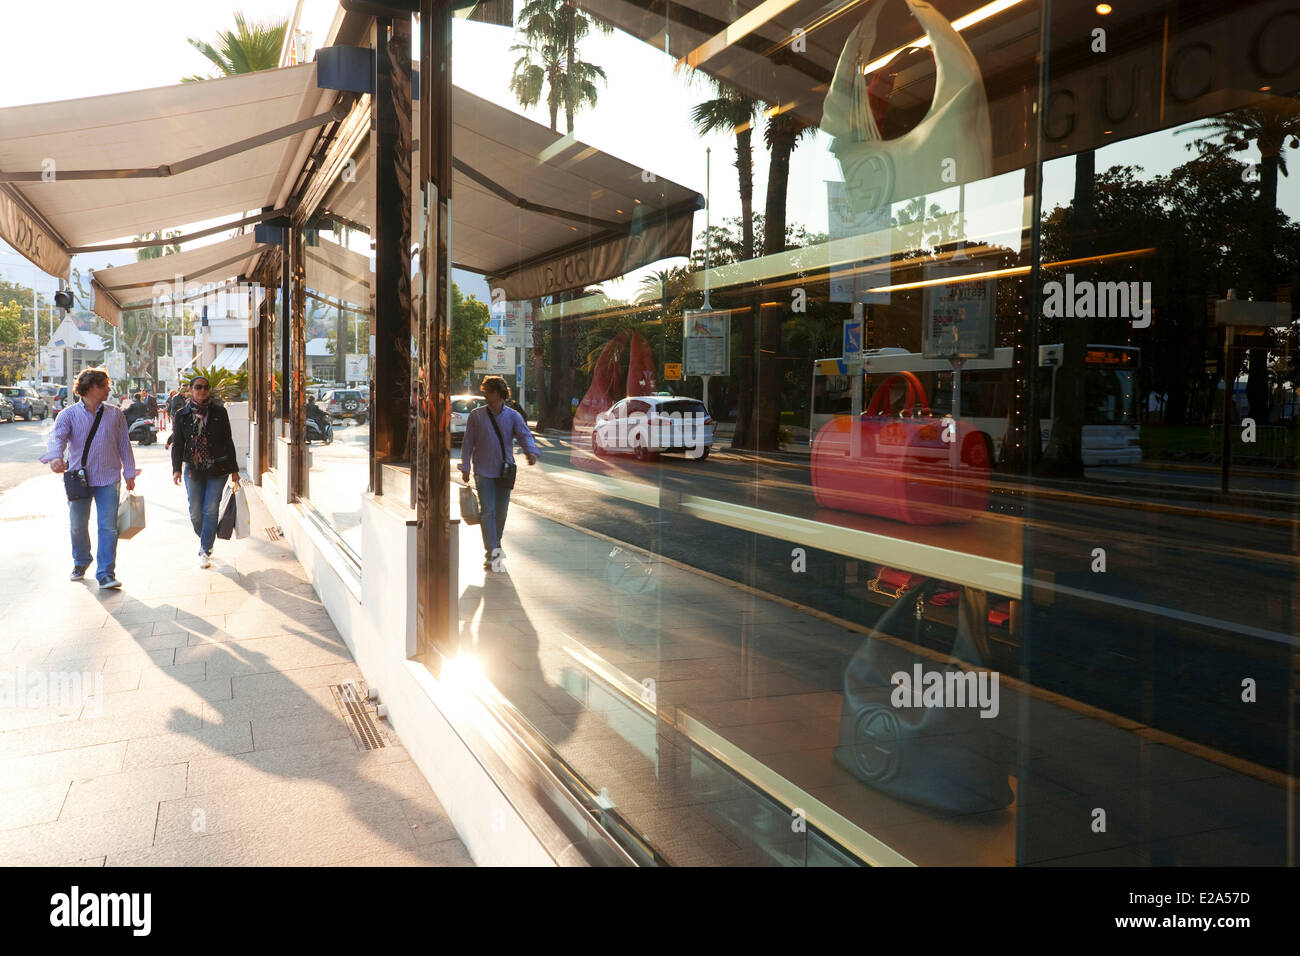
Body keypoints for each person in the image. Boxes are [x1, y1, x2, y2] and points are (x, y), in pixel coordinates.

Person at [39, 366, 139, 590]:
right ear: (92, 387)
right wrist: (55, 458)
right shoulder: (68, 415)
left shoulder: (115, 414)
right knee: (77, 525)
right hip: (78, 478)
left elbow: (124, 444)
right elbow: (58, 439)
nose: (108, 389)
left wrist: (129, 472)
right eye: (104, 386)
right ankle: (81, 561)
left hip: (109, 478)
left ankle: (106, 573)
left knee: (108, 527)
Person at [459, 376, 540, 573]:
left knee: (501, 513)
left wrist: (531, 452)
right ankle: (493, 553)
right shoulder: (476, 416)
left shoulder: (513, 416)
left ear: (499, 393)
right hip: (483, 470)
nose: (484, 393)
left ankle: (495, 545)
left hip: (504, 471)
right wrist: (466, 467)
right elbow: (468, 442)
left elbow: (524, 435)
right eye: (484, 390)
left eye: (488, 390)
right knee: (488, 511)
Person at [171, 376, 241, 568]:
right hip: (193, 469)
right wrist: (176, 468)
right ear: (190, 390)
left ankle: (205, 548)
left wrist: (234, 469)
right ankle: (206, 535)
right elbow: (178, 443)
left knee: (210, 509)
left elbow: (228, 440)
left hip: (218, 468)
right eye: (198, 387)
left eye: (206, 387)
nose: (202, 390)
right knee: (195, 512)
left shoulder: (219, 412)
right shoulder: (182, 414)